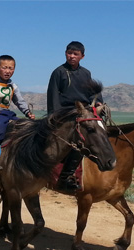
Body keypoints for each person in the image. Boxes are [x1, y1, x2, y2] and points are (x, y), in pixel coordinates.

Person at [46, 41, 103, 193]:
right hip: (65, 113)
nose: (71, 56)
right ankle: (66, 177)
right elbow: (53, 95)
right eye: (69, 53)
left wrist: (98, 103)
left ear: (82, 56)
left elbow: (93, 93)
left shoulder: (86, 73)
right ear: (65, 53)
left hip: (84, 111)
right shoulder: (58, 72)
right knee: (79, 141)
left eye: (75, 54)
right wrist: (55, 116)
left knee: (100, 132)